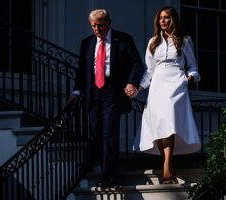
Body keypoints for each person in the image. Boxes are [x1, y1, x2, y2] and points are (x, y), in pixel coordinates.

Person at [69, 9, 143, 188]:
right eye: (93, 26)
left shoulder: (123, 39)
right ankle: (103, 169)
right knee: (95, 134)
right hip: (93, 92)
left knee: (109, 135)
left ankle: (109, 176)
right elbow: (82, 70)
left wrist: (131, 83)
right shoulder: (87, 43)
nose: (96, 29)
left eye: (100, 25)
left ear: (108, 22)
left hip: (113, 92)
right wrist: (76, 91)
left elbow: (136, 63)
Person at [133, 6, 201, 184]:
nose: (163, 21)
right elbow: (149, 71)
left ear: (173, 19)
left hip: (176, 84)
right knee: (159, 124)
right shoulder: (152, 42)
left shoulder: (184, 40)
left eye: (167, 17)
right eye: (161, 18)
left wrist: (188, 79)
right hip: (157, 85)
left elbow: (193, 67)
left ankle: (166, 167)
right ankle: (169, 165)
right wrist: (139, 87)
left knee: (169, 122)